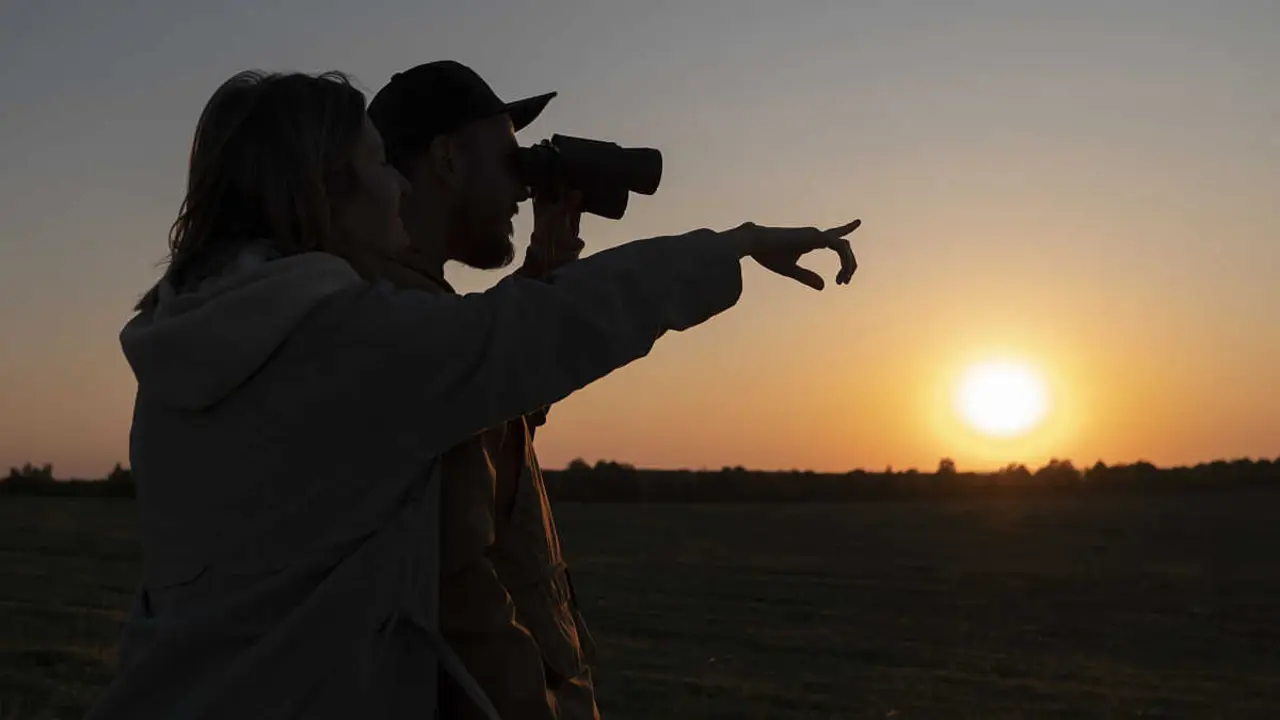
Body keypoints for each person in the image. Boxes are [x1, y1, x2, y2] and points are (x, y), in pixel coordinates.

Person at [88, 68, 861, 720]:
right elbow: (532, 336)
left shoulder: (202, 336)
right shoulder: (347, 340)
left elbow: (441, 400)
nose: (394, 180)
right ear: (329, 189)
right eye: (376, 164)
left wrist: (537, 280)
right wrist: (736, 246)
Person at [363, 60, 599, 720]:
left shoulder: (417, 311)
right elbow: (461, 596)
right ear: (445, 159)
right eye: (508, 158)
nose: (523, 189)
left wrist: (540, 283)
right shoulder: (396, 326)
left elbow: (490, 435)